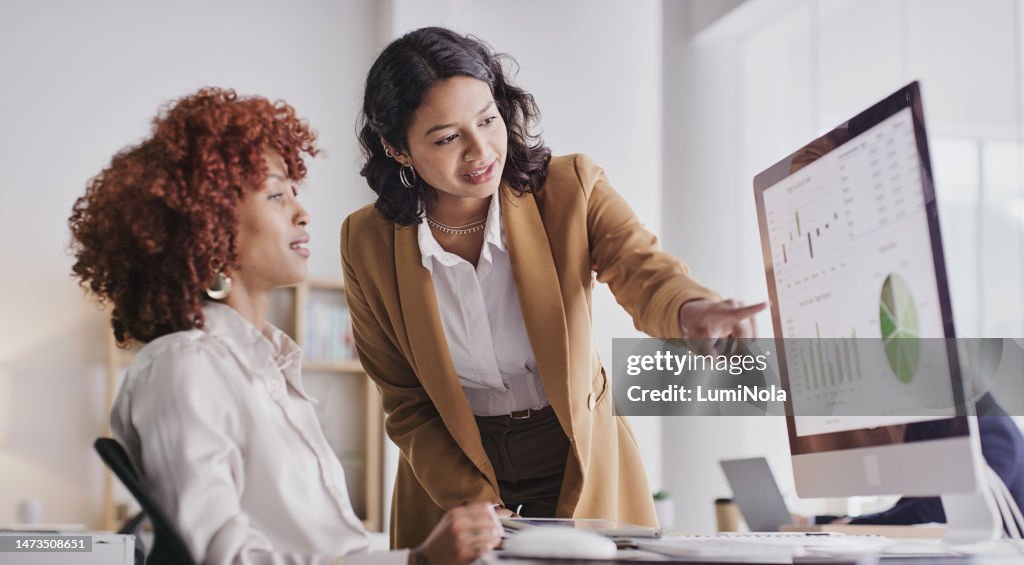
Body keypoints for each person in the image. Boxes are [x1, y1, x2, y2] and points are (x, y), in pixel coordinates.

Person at [342, 26, 767, 548]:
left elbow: (642, 268)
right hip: (451, 469)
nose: (481, 151)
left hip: (574, 453)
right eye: (448, 137)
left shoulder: (571, 188)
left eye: (488, 120)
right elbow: (406, 400)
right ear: (397, 148)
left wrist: (690, 309)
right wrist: (469, 499)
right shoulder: (366, 241)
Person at [69, 87, 500, 565]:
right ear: (207, 228)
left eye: (294, 192)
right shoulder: (185, 366)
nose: (302, 213)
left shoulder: (263, 365)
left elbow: (331, 550)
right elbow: (221, 558)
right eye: (276, 195)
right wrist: (417, 561)